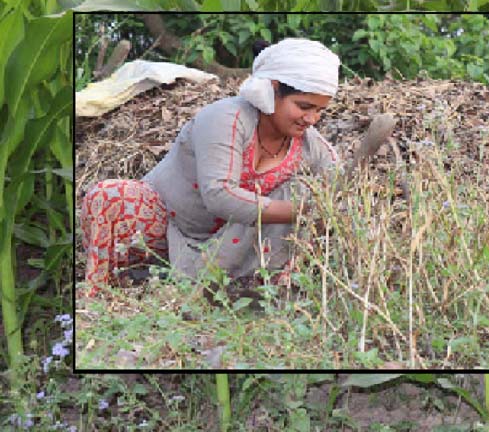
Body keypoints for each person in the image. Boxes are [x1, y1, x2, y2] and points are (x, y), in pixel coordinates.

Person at [80, 38, 340, 296]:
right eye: (304, 107)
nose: (312, 119)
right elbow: (219, 195)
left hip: (234, 245)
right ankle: (110, 287)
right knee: (108, 196)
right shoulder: (226, 118)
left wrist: (328, 207)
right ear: (272, 89)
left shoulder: (309, 143)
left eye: (320, 110)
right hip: (168, 227)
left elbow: (340, 188)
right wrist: (300, 211)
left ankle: (248, 288)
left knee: (304, 188)